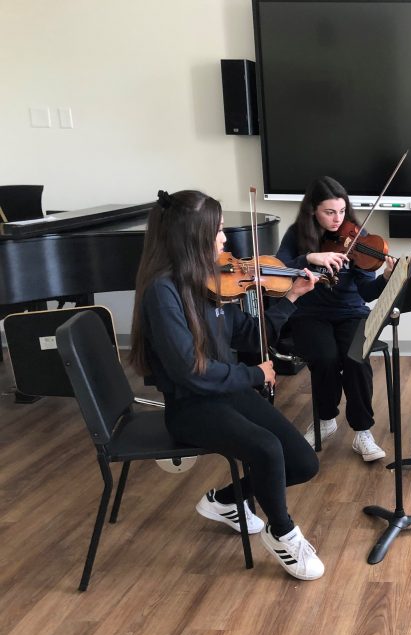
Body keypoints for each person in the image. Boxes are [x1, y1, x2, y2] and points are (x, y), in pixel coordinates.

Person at [129, 189, 325, 581]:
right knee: (268, 450)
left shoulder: (210, 283)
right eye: (218, 231)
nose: (224, 240)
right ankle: (282, 533)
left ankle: (226, 500)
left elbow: (252, 336)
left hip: (227, 392)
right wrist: (255, 375)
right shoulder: (163, 292)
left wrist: (290, 297)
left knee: (303, 463)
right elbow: (190, 372)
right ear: (194, 237)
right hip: (190, 406)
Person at [276, 176, 396, 461]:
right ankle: (326, 420)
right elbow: (278, 271)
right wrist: (310, 258)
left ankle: (363, 432)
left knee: (356, 358)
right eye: (329, 212)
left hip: (351, 311)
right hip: (309, 314)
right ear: (312, 210)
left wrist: (386, 280)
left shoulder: (357, 235)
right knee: (326, 357)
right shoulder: (296, 235)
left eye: (341, 211)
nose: (337, 219)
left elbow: (367, 291)